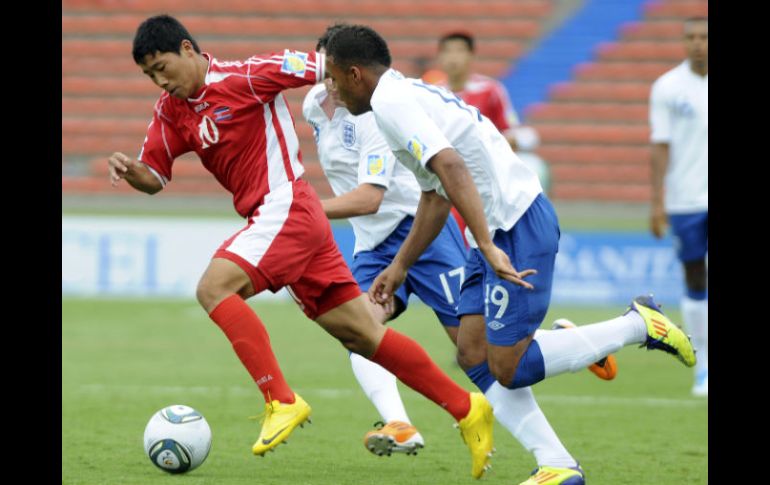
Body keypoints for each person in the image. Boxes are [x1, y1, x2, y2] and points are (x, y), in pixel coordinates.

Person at [106, 15, 497, 478]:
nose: (160, 80)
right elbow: (156, 176)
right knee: (363, 335)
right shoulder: (170, 113)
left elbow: (327, 64)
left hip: (285, 207)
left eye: (163, 67)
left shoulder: (247, 76)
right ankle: (467, 409)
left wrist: (390, 98)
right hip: (285, 221)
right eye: (150, 74)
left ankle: (280, 400)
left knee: (214, 289)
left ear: (188, 49)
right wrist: (135, 174)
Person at [325, 24, 696, 485]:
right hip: (498, 225)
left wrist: (485, 245)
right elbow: (437, 193)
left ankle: (637, 323)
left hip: (515, 222)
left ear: (354, 73)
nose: (332, 90)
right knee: (472, 353)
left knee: (508, 366)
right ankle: (557, 465)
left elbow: (452, 166)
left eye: (333, 78)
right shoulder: (402, 97)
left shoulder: (391, 103)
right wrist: (399, 267)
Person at [436, 31, 552, 238]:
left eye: (459, 51)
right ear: (440, 57)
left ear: (471, 56)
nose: (453, 57)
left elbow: (511, 134)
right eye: (448, 51)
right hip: (444, 187)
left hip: (484, 188)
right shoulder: (432, 94)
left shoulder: (490, 91)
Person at [649, 17, 708, 398]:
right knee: (695, 278)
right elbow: (660, 145)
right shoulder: (668, 86)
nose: (698, 43)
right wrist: (657, 201)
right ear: (683, 42)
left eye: (704, 37)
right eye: (691, 37)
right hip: (685, 199)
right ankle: (703, 365)